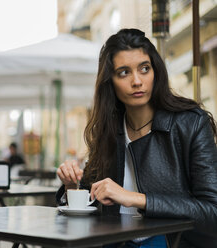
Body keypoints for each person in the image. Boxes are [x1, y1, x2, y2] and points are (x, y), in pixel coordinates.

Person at [56, 29, 217, 247]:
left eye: (144, 69)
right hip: (117, 241)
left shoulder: (190, 124)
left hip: (170, 242)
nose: (137, 81)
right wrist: (71, 186)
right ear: (110, 81)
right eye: (124, 72)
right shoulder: (108, 131)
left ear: (155, 72)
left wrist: (136, 198)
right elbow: (91, 205)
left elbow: (212, 211)